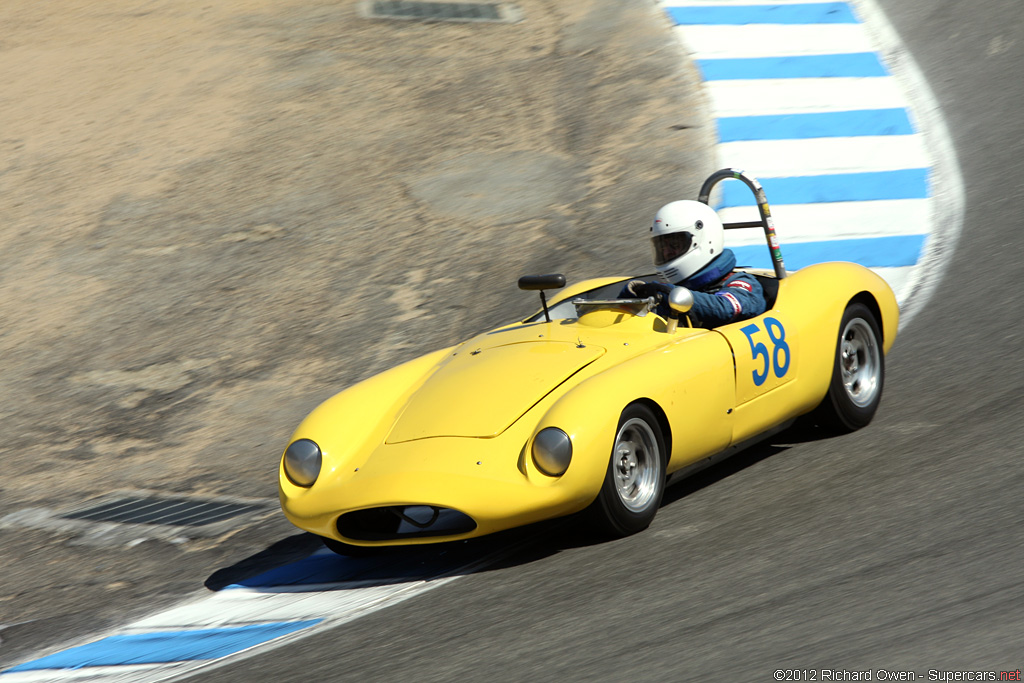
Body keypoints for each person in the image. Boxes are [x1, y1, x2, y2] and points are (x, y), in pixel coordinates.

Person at [622, 200, 766, 328]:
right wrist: (632, 298)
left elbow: (726, 308)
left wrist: (668, 293)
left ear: (704, 240)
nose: (666, 252)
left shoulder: (742, 282)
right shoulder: (668, 290)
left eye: (674, 244)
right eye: (662, 246)